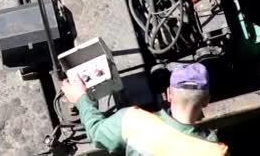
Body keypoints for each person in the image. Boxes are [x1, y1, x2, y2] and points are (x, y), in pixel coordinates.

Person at [61, 63, 228, 155]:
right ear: (206, 101)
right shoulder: (215, 151)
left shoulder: (133, 121)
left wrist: (81, 99)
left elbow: (96, 132)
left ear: (169, 94)